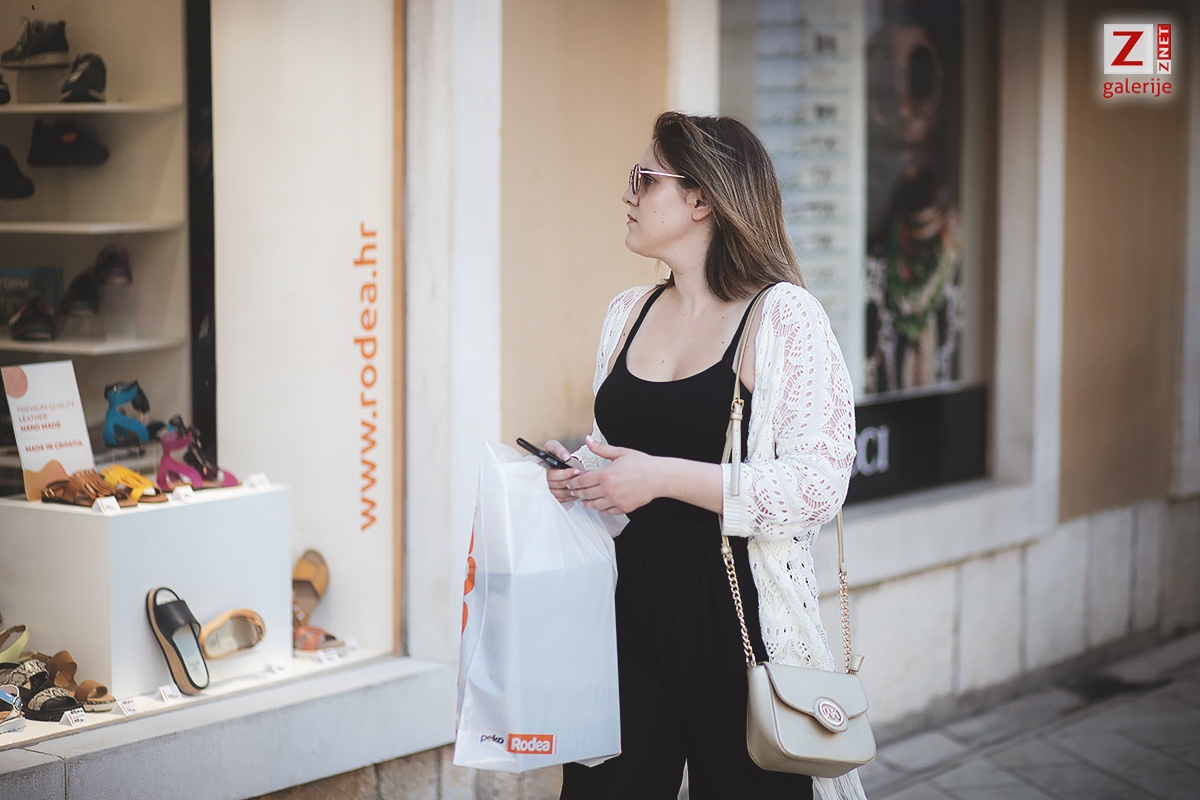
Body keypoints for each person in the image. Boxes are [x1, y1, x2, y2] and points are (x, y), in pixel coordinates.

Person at [542, 112, 866, 800]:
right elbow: (623, 461)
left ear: (701, 199)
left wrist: (660, 477)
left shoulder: (782, 317)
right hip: (628, 613)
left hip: (740, 621)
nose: (627, 194)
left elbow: (819, 483)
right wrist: (581, 473)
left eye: (644, 179)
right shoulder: (627, 312)